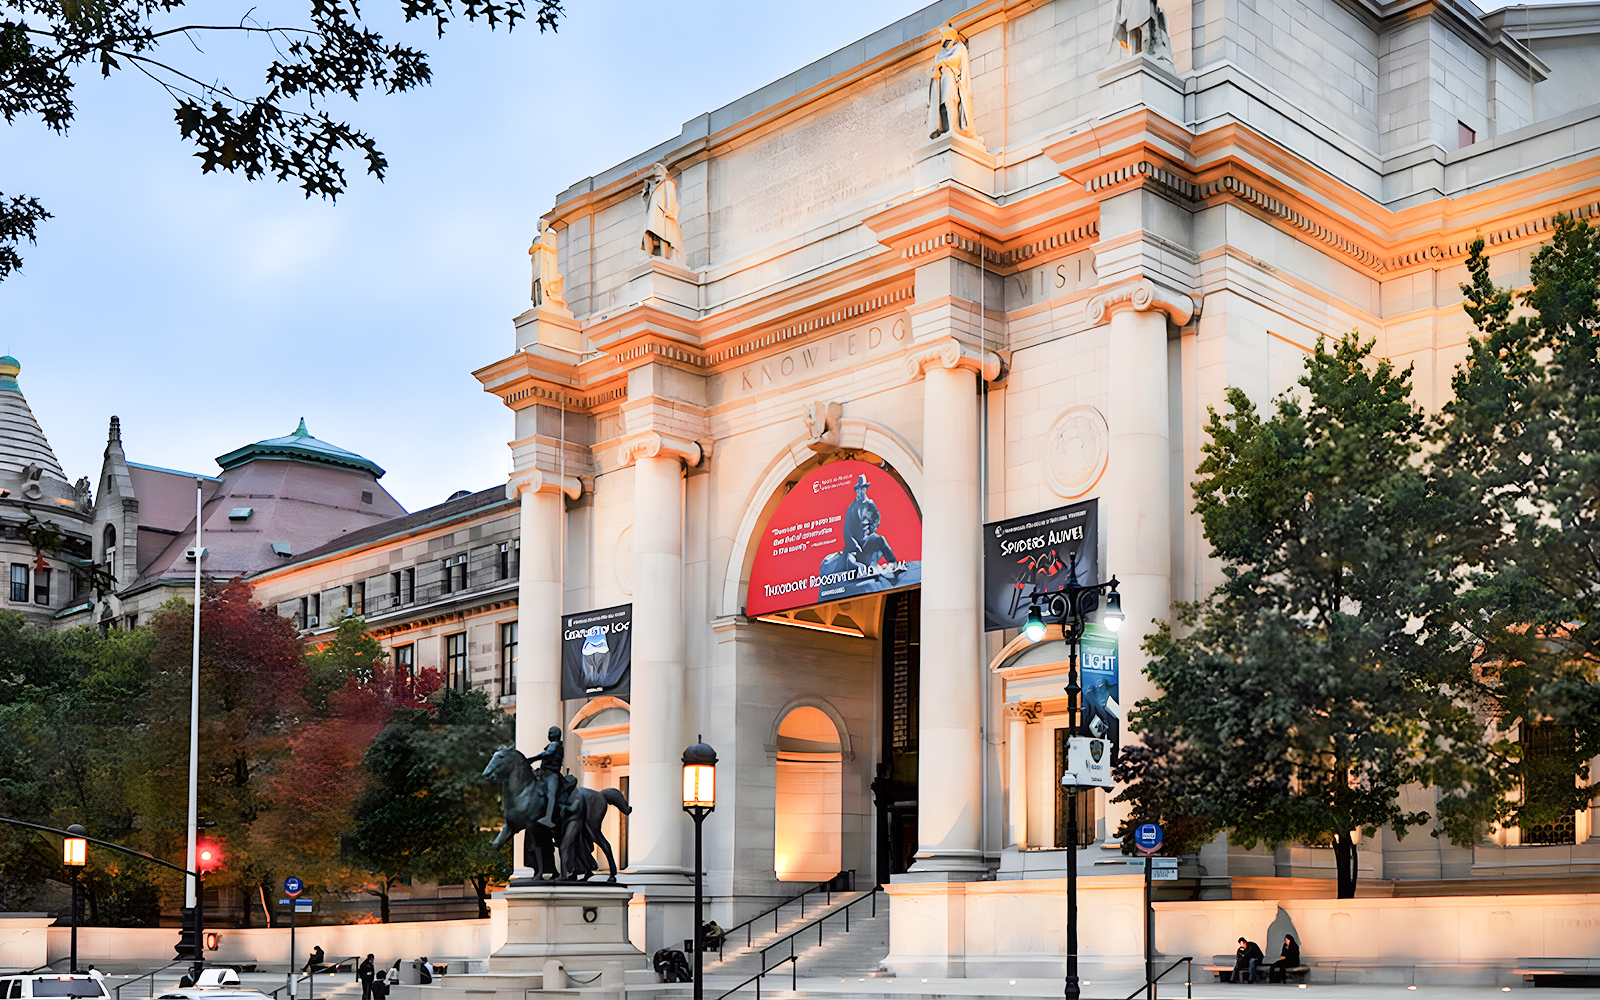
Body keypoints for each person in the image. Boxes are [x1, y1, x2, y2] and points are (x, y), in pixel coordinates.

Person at [528, 726, 564, 829]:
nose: (548, 735)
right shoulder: (553, 745)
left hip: (551, 774)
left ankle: (548, 818)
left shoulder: (554, 745)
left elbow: (547, 754)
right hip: (545, 773)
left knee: (550, 794)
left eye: (550, 733)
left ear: (555, 735)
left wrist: (532, 759)